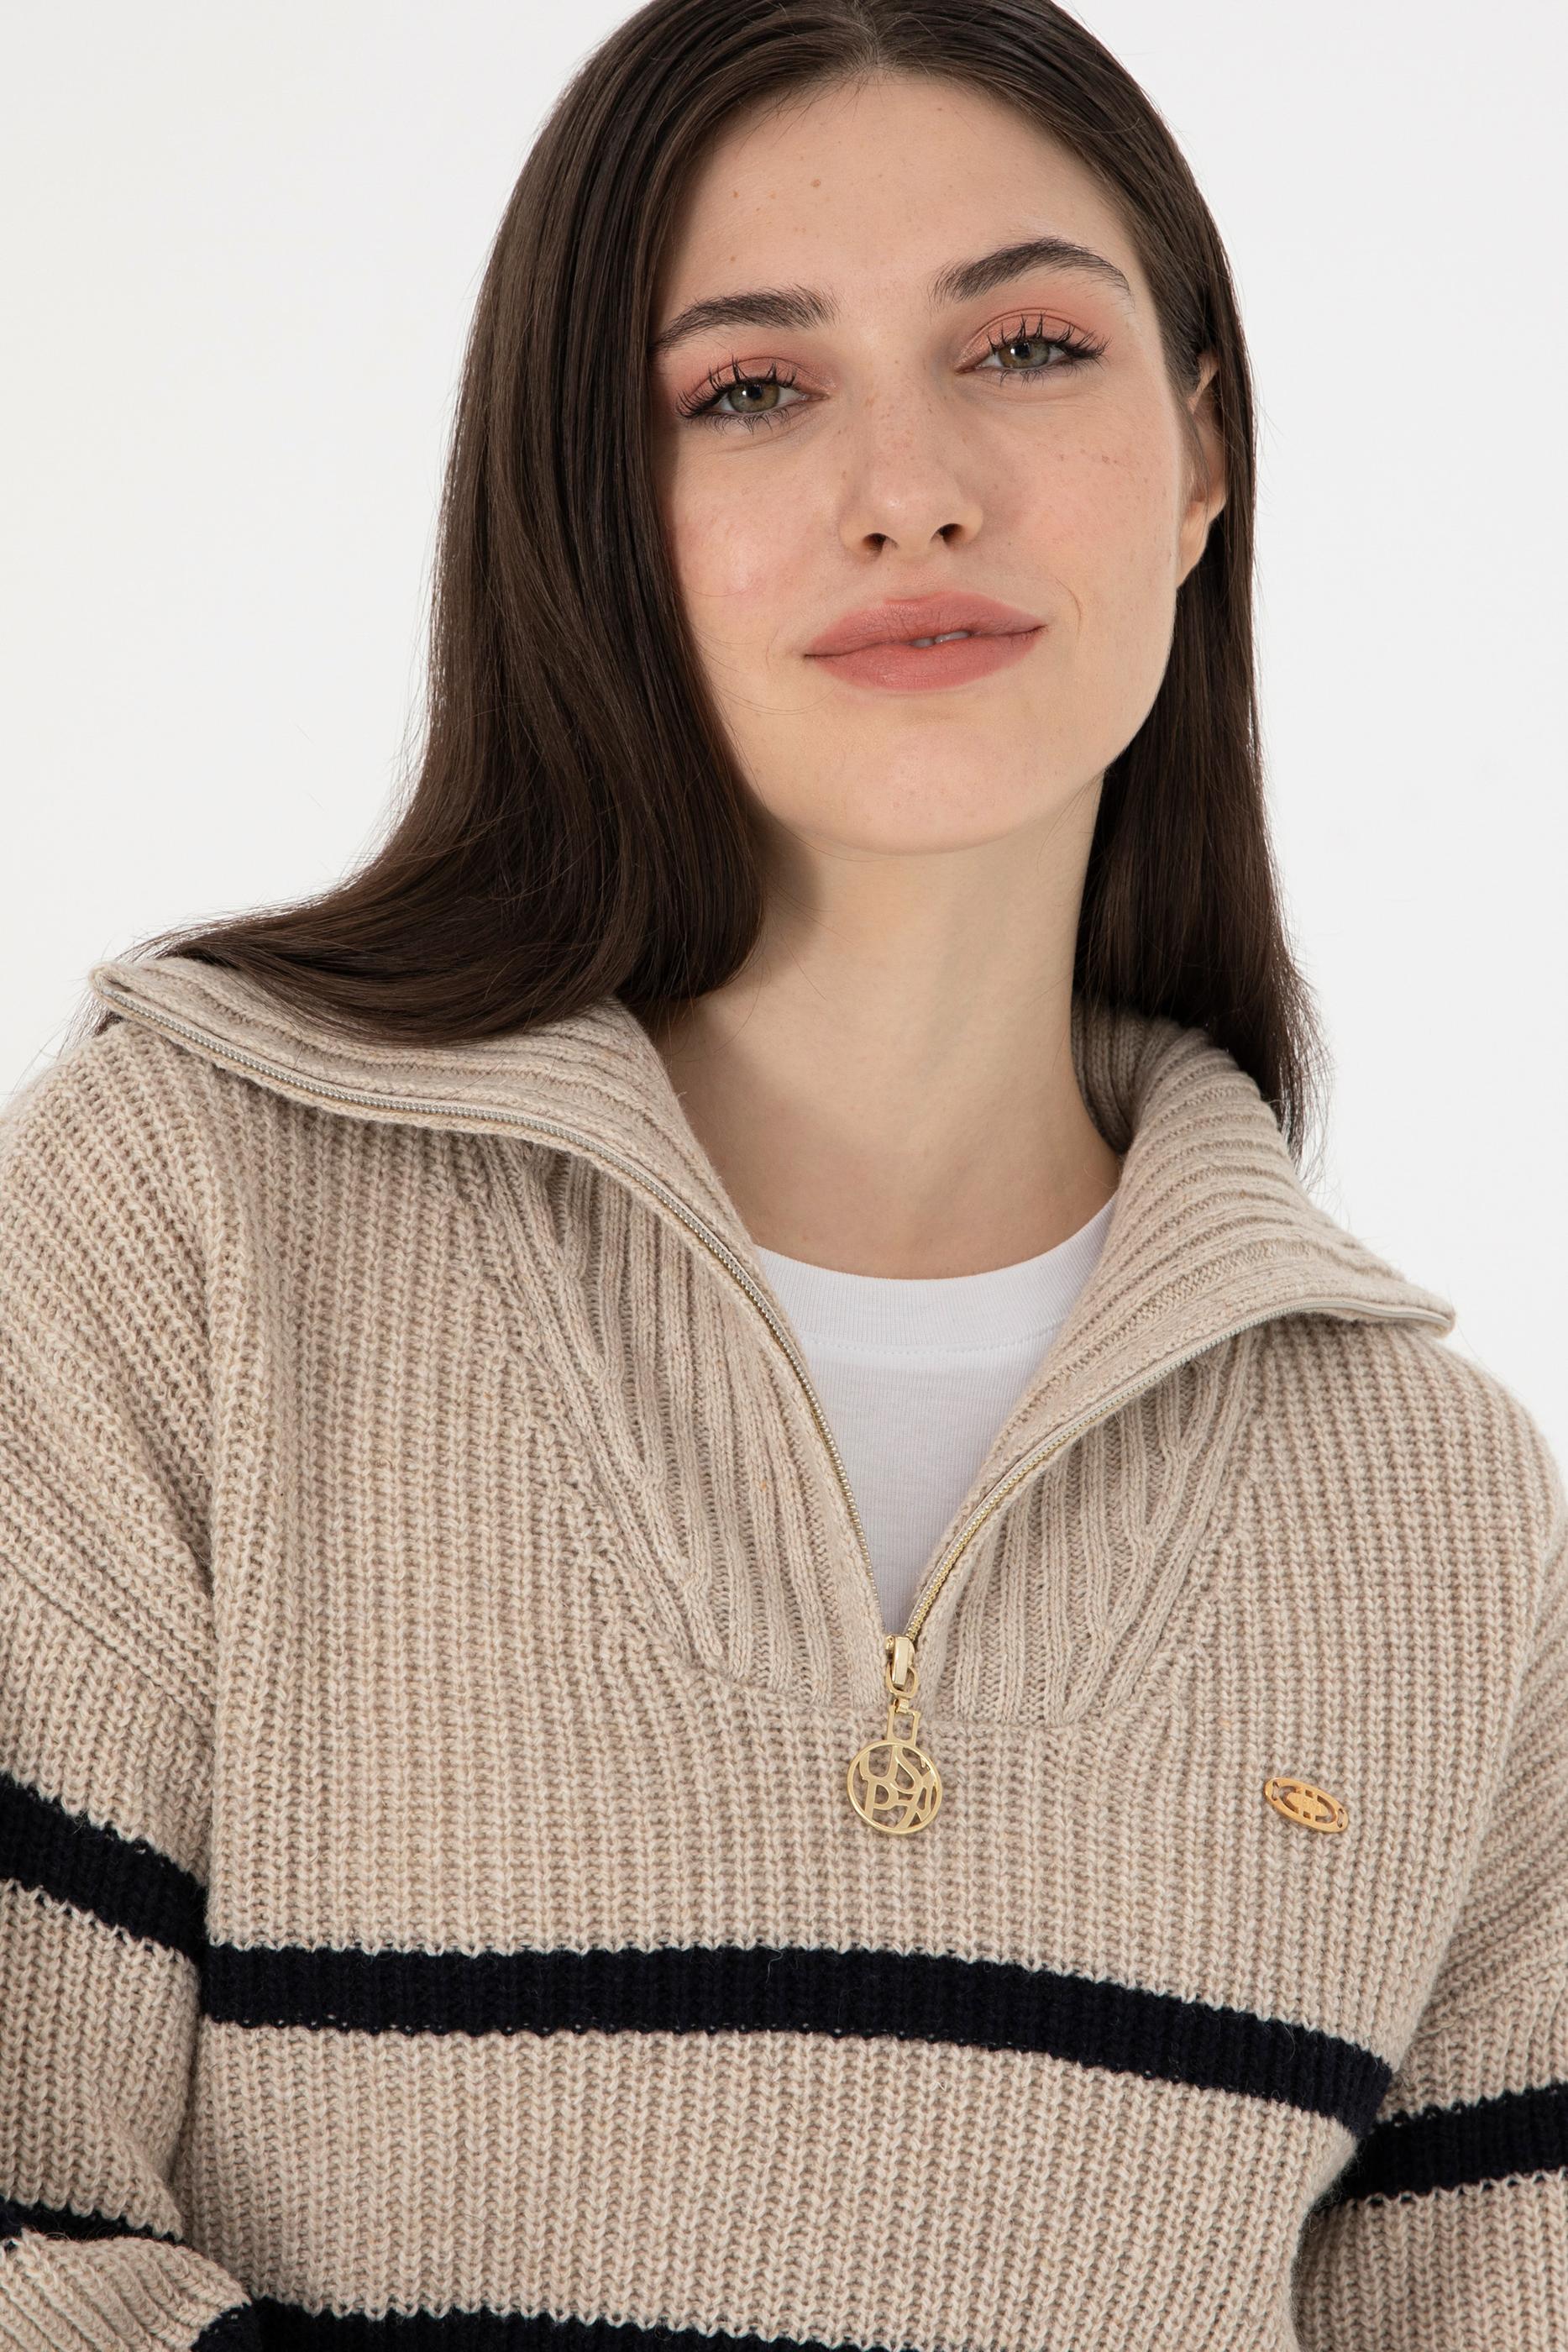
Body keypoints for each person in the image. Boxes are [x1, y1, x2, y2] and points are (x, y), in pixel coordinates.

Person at [3, 3, 1564, 2347]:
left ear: (1201, 460)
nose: (909, 488)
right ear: (590, 514)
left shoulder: (1437, 1517)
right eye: (749, 388)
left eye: (1025, 347)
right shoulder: (189, 1224)